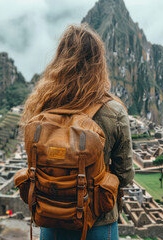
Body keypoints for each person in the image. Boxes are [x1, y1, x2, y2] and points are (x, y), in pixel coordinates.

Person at [20, 23, 135, 240]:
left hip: (51, 220)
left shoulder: (42, 106)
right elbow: (125, 176)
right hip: (99, 223)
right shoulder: (113, 111)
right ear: (99, 63)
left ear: (59, 60)